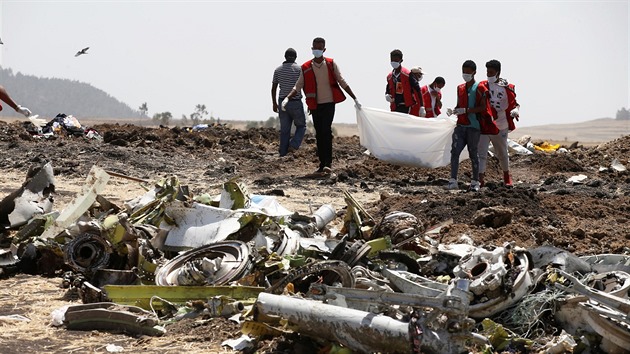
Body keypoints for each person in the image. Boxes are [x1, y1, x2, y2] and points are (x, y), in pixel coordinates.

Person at [283, 37, 360, 175]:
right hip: (315, 105)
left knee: (326, 131)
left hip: (329, 104)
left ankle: (328, 163)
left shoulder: (331, 64)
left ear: (324, 50)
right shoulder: (306, 67)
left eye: (320, 48)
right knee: (319, 134)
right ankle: (321, 164)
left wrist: (354, 98)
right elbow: (298, 85)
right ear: (312, 49)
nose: (317, 50)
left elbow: (341, 81)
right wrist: (287, 98)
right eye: (315, 48)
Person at [448, 60, 496, 192]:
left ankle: (475, 182)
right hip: (461, 124)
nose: (465, 74)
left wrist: (467, 110)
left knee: (473, 153)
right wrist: (455, 110)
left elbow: (482, 107)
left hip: (473, 126)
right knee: (454, 152)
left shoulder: (480, 88)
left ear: (474, 72)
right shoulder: (460, 88)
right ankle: (453, 180)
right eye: (464, 72)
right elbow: (459, 105)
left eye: (468, 72)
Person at [478, 59, 520, 187]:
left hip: (501, 125)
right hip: (485, 124)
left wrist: (515, 110)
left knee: (502, 152)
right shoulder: (482, 86)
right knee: (482, 152)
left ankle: (507, 177)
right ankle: (480, 178)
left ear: (498, 72)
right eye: (487, 72)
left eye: (491, 72)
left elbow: (515, 104)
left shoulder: (508, 88)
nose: (489, 75)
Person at [271, 48, 306, 157]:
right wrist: (309, 101)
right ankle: (293, 145)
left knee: (285, 130)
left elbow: (273, 88)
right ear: (295, 57)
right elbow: (304, 86)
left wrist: (274, 103)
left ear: (285, 57)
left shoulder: (278, 70)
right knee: (301, 126)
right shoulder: (300, 69)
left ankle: (283, 152)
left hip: (282, 102)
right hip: (295, 101)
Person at [385, 50, 425, 117]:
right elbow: (388, 89)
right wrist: (387, 95)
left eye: (396, 60)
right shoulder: (390, 77)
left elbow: (417, 89)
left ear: (401, 60)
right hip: (394, 106)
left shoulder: (407, 74)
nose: (393, 62)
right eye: (392, 60)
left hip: (405, 105)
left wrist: (422, 106)